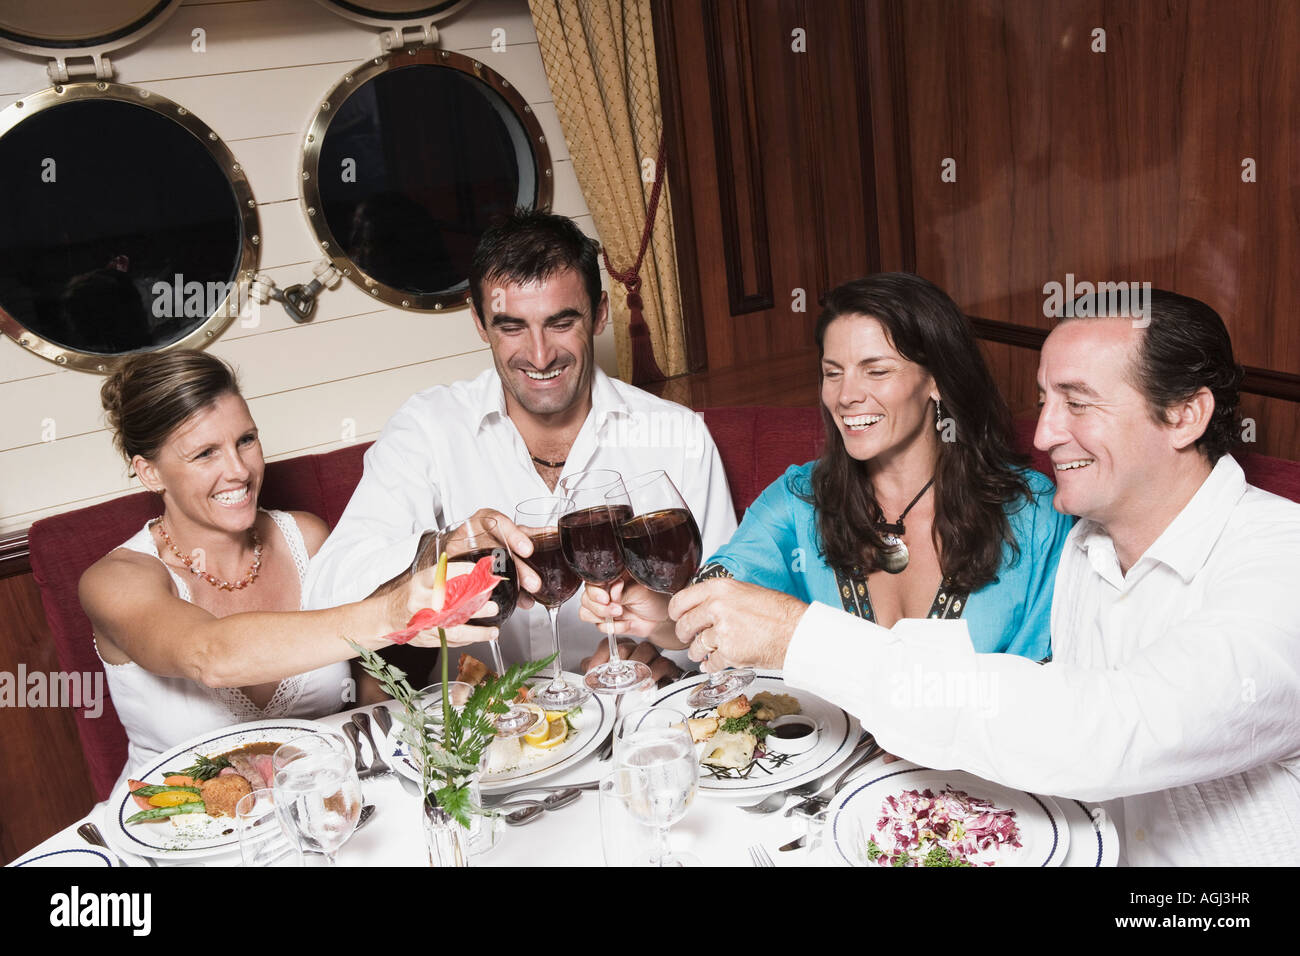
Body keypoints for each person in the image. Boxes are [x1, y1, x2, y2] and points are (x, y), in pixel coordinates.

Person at [669, 290, 1300, 866]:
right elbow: (1000, 676)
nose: (1047, 434)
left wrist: (800, 636)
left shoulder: (1283, 559)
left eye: (1077, 404)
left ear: (1185, 415)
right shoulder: (1088, 545)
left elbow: (1110, 726)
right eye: (1046, 401)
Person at [304, 210, 737, 684]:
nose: (539, 354)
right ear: (478, 321)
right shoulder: (427, 428)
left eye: (560, 322)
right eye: (511, 327)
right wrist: (443, 549)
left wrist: (666, 668)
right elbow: (325, 595)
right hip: (482, 732)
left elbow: (730, 614)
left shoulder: (676, 435)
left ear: (600, 314)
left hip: (636, 718)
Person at [583, 273, 1072, 660]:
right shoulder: (798, 499)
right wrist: (662, 613)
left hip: (980, 780)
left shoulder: (1034, 516)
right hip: (825, 777)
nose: (846, 395)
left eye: (876, 370)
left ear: (937, 381)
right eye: (832, 373)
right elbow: (717, 591)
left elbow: (1045, 694)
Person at [79, 350, 491, 780]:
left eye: (246, 440)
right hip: (178, 830)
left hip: (322, 804)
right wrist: (392, 611)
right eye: (205, 454)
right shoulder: (115, 581)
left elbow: (369, 685)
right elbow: (210, 656)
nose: (239, 470)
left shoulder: (307, 539)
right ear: (150, 473)